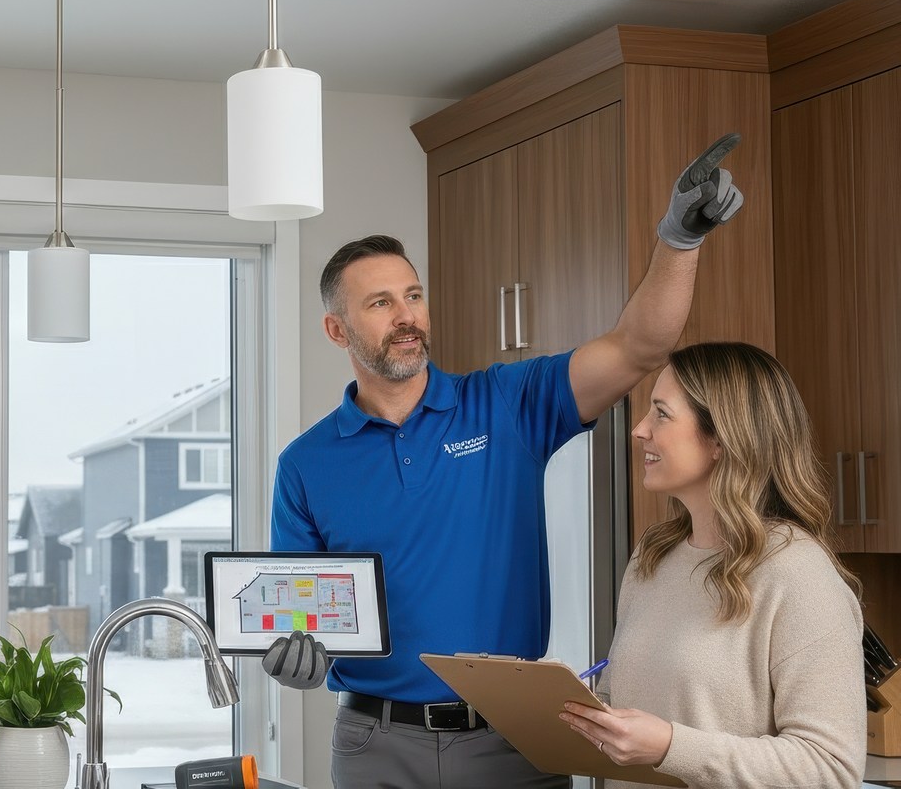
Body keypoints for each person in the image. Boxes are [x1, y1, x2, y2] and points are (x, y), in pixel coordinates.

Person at [264, 135, 746, 789]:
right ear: (337, 330)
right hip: (373, 744)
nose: (407, 317)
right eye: (380, 304)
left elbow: (641, 346)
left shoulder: (506, 404)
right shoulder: (304, 466)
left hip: (512, 737)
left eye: (413, 295)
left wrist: (679, 239)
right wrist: (294, 659)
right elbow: (302, 630)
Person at [559, 342, 866, 788]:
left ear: (722, 438)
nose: (639, 430)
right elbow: (637, 706)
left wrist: (670, 747)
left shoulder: (798, 574)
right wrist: (575, 708)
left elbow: (830, 769)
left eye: (661, 414)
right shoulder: (654, 555)